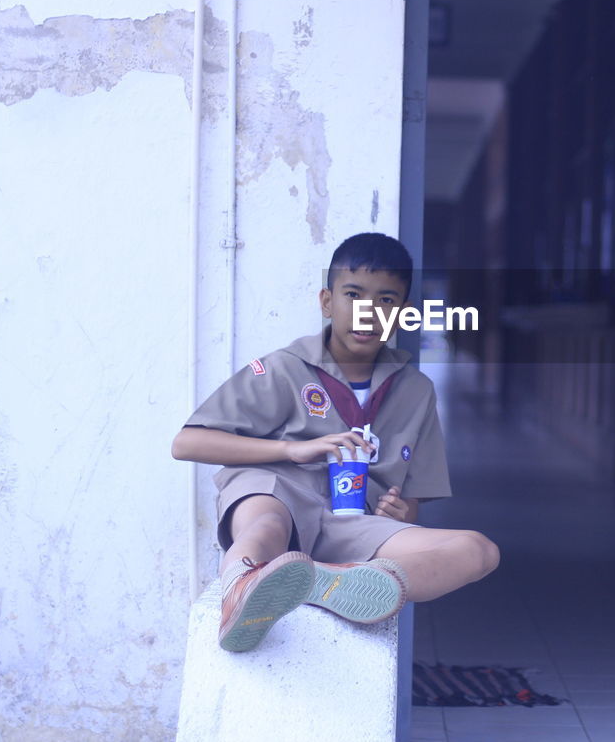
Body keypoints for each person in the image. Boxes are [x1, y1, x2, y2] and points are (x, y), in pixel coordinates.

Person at [172, 232, 500, 652]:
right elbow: (187, 443)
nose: (369, 310)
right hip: (279, 493)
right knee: (267, 523)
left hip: (350, 524)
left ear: (403, 314)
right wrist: (290, 450)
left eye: (386, 300)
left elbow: (413, 502)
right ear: (327, 301)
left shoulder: (416, 390)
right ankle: (241, 591)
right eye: (354, 294)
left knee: (479, 550)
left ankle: (352, 585)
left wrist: (401, 510)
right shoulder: (283, 369)